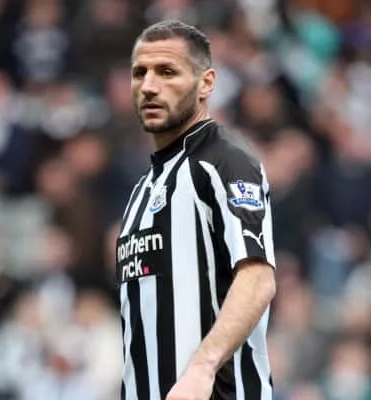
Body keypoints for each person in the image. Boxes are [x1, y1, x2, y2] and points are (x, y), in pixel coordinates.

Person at [116, 20, 276, 400]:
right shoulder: (142, 190)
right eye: (140, 73)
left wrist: (203, 367)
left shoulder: (224, 161)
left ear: (206, 83)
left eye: (166, 72)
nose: (149, 86)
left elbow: (258, 279)